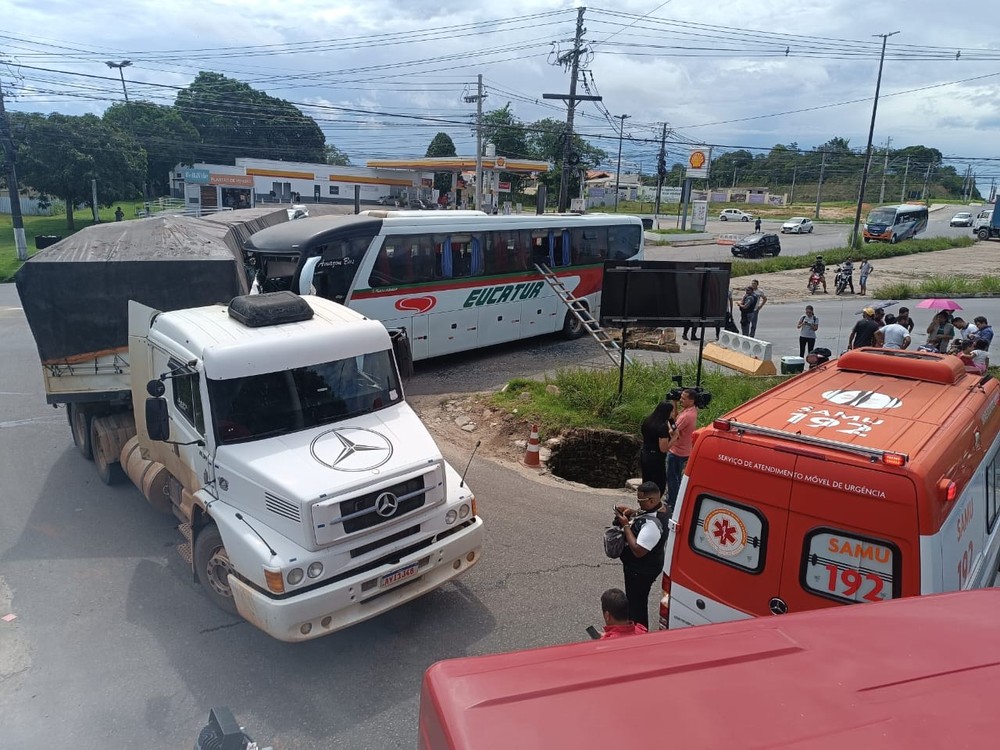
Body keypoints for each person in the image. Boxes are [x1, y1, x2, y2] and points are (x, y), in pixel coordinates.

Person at [613, 481, 669, 630]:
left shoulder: (652, 525)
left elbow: (638, 550)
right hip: (649, 565)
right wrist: (632, 513)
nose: (638, 502)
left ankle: (638, 632)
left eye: (641, 500)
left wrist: (625, 525)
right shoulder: (663, 508)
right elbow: (646, 514)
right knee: (637, 601)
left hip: (640, 571)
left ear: (652, 500)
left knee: (636, 605)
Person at [666, 388, 698, 509]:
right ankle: (675, 499)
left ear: (691, 401)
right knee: (676, 477)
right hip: (684, 449)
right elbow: (676, 420)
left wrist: (668, 420)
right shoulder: (690, 410)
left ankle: (673, 502)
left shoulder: (687, 416)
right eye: (680, 397)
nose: (680, 400)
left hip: (677, 451)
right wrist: (674, 403)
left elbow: (672, 430)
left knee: (673, 478)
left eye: (683, 399)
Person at [639, 400, 675, 497]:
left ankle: (645, 500)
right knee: (658, 484)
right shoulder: (662, 427)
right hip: (655, 458)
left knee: (647, 482)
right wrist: (674, 438)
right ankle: (654, 502)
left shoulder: (648, 421)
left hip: (645, 453)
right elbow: (663, 448)